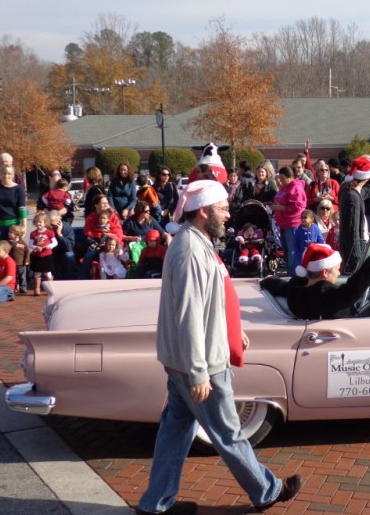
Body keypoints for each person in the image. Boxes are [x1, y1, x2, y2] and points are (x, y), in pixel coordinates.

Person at [137, 179, 301, 515]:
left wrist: (229, 329)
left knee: (175, 429)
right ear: (203, 211)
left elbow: (208, 301)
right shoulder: (190, 250)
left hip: (188, 360)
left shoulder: (194, 243)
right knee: (228, 431)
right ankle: (266, 492)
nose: (228, 215)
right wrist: (198, 371)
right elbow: (188, 314)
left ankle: (156, 502)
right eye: (223, 209)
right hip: (200, 364)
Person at [261, 232, 370, 322]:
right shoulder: (323, 296)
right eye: (337, 269)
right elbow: (352, 290)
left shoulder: (295, 289)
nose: (338, 273)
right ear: (325, 272)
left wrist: (265, 282)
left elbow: (279, 286)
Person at [338, 156, 370, 273]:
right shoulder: (352, 197)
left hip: (352, 246)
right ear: (366, 176)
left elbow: (363, 192)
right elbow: (352, 230)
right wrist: (356, 256)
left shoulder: (348, 188)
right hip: (353, 251)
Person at [272, 166, 307, 276]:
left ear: (290, 177)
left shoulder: (296, 188)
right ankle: (290, 272)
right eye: (279, 179)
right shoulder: (284, 187)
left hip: (293, 224)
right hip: (283, 223)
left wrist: (280, 208)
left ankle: (293, 275)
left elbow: (298, 207)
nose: (280, 181)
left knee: (293, 251)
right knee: (287, 252)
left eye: (282, 179)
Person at [0, 164, 27, 244]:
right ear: (0, 175)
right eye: (4, 173)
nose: (6, 176)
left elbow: (22, 208)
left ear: (13, 175)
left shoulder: (19, 189)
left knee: (13, 250)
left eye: (9, 173)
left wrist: (24, 226)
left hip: (13, 226)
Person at [29, 212, 57, 296]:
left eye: (40, 222)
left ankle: (50, 288)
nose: (38, 224)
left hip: (47, 255)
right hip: (37, 256)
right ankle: (37, 288)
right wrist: (35, 247)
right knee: (37, 273)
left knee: (47, 273)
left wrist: (50, 246)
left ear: (45, 223)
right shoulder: (33, 233)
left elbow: (55, 242)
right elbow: (30, 244)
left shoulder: (49, 232)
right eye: (37, 222)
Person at [8, 225, 30, 292]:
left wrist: (27, 260)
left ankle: (23, 287)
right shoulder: (9, 243)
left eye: (11, 232)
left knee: (22, 276)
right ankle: (14, 287)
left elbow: (27, 251)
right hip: (12, 263)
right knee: (14, 276)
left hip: (21, 263)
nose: (9, 233)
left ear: (17, 234)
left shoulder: (22, 243)